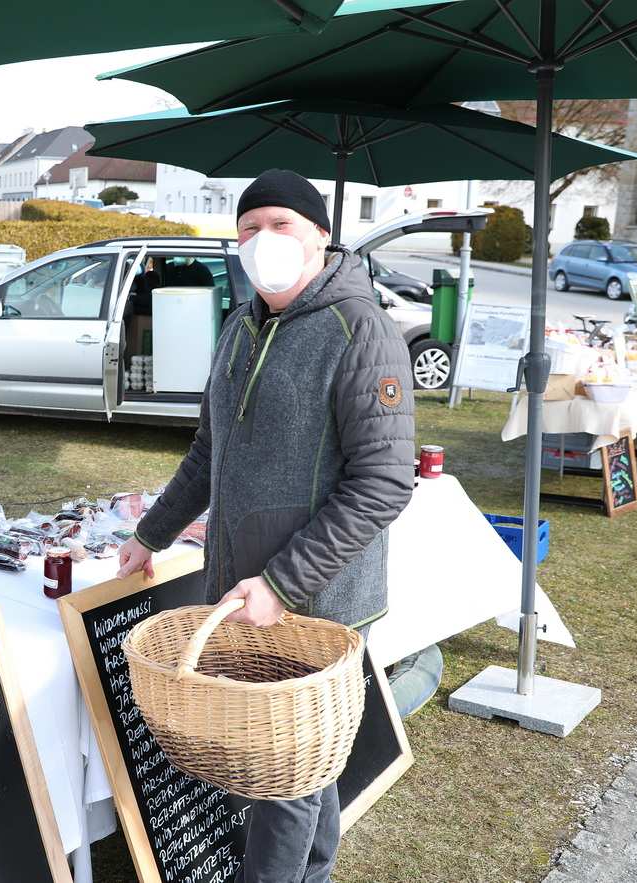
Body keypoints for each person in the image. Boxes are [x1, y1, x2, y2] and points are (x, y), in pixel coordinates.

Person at [117, 169, 415, 883]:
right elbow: (208, 453)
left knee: (286, 771)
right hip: (240, 590)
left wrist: (284, 581)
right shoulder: (239, 325)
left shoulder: (361, 329)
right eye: (248, 229)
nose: (261, 241)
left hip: (319, 599)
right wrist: (152, 533)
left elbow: (384, 482)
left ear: (320, 235)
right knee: (301, 760)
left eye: (279, 225)